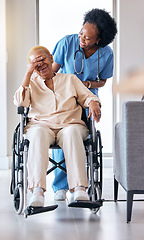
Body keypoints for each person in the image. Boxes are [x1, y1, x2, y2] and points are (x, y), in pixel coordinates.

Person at [13, 45, 102, 207]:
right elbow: (20, 102)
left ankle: (79, 189)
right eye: (35, 62)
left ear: (52, 59)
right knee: (38, 134)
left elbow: (87, 96)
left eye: (43, 59)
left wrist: (93, 102)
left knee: (72, 132)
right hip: (40, 126)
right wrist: (28, 73)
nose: (40, 64)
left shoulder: (70, 79)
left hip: (69, 125)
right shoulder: (31, 83)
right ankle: (37, 191)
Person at [51, 8, 117, 200]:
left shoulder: (106, 54)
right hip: (64, 98)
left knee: (81, 138)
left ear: (99, 40)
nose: (82, 38)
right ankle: (60, 186)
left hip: (88, 99)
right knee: (62, 135)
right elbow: (51, 73)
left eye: (88, 38)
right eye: (81, 33)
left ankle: (79, 184)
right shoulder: (67, 43)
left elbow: (103, 81)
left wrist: (87, 84)